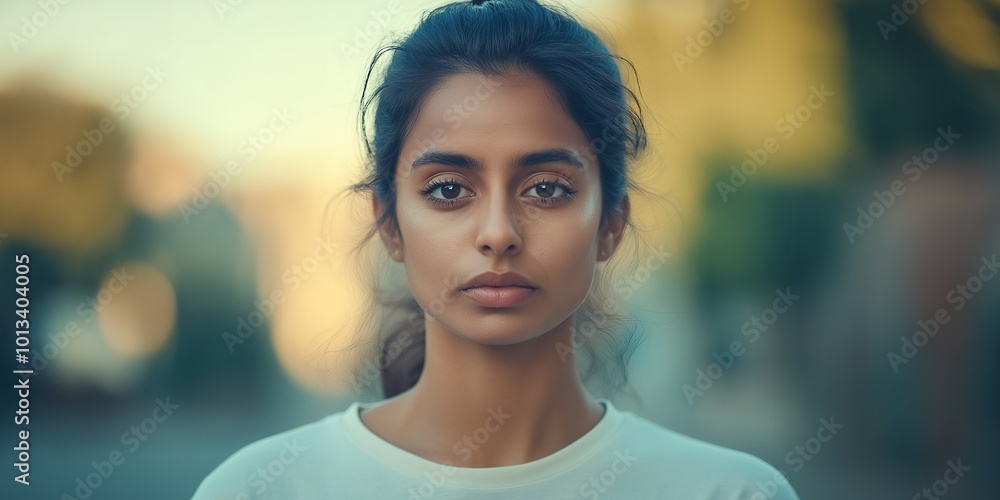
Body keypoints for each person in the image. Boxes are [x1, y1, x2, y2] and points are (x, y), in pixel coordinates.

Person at [193, 0, 800, 498]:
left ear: (612, 222)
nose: (498, 232)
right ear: (389, 224)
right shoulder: (260, 489)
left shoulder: (731, 492)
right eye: (449, 189)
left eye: (547, 188)